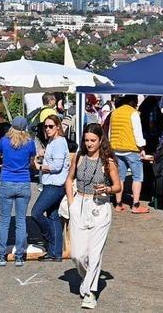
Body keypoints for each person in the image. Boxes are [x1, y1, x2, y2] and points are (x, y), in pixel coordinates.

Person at [65, 124, 122, 310]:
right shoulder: (79, 157)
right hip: (79, 204)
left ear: (100, 140)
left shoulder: (109, 161)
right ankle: (86, 279)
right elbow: (69, 179)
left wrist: (107, 189)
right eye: (86, 140)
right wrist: (72, 202)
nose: (89, 144)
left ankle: (90, 292)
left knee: (95, 253)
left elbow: (118, 186)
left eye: (93, 140)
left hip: (100, 206)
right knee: (77, 255)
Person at [0, 116, 35, 266]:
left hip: (6, 180)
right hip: (23, 182)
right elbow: (32, 160)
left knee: (4, 221)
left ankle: (1, 256)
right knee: (20, 221)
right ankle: (19, 256)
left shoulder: (4, 141)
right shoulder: (29, 142)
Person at [32, 115, 70, 262]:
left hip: (55, 185)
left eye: (50, 126)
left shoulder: (59, 142)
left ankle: (51, 240)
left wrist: (39, 167)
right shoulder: (53, 141)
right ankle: (55, 253)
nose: (47, 129)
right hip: (52, 183)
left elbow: (56, 166)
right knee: (53, 216)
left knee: (36, 212)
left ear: (58, 127)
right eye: (45, 127)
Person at [109, 95, 149, 213]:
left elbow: (110, 132)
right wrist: (142, 147)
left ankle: (118, 203)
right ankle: (136, 205)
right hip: (131, 149)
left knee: (120, 177)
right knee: (137, 177)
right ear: (132, 102)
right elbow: (137, 132)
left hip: (116, 149)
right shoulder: (133, 113)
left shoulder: (114, 113)